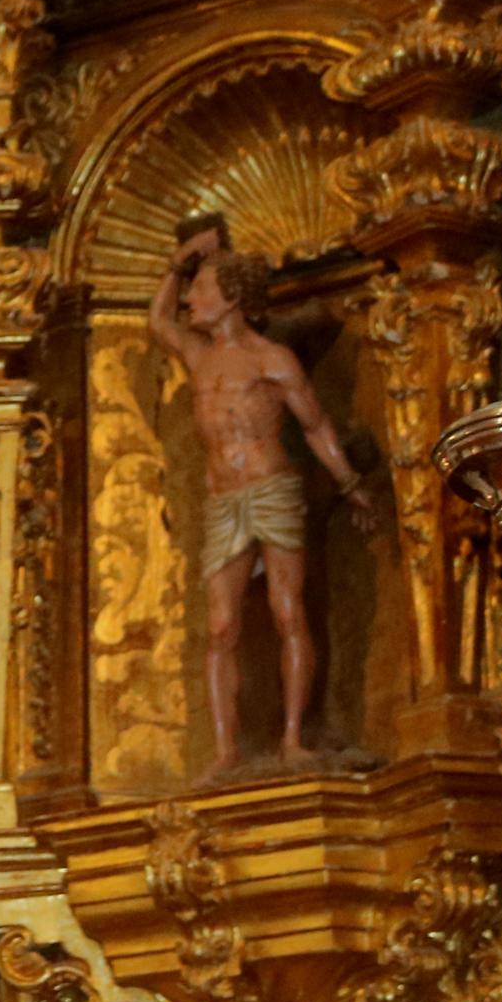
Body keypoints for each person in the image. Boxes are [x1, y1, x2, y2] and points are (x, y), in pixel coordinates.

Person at [144, 215, 377, 774]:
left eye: (200, 291)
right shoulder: (200, 356)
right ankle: (225, 751)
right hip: (224, 500)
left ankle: (295, 738)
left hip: (271, 489)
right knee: (221, 626)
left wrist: (348, 483)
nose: (190, 302)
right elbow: (157, 320)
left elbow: (317, 426)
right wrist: (182, 263)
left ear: (230, 299)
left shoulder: (272, 359)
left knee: (286, 611)